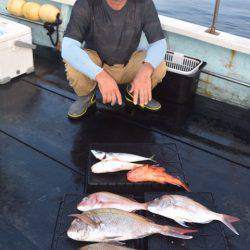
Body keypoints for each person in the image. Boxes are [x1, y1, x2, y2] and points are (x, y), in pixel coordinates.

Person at [62, 0, 167, 119]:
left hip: (128, 62)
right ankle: (86, 97)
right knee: (73, 63)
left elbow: (159, 42)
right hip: (97, 65)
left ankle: (135, 94)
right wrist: (100, 75)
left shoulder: (143, 3)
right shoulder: (86, 3)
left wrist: (145, 70)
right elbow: (68, 47)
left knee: (158, 66)